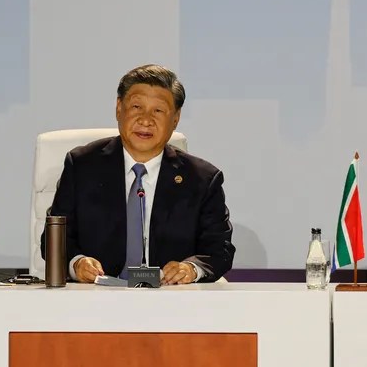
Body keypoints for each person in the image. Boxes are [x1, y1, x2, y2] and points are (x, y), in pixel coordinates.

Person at [41, 64, 235, 284]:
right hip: (98, 296)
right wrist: (77, 263)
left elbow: (220, 249)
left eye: (158, 111)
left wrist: (191, 269)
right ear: (119, 108)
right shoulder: (82, 166)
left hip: (170, 297)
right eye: (136, 107)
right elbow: (54, 239)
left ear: (175, 118)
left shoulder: (202, 179)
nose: (145, 120)